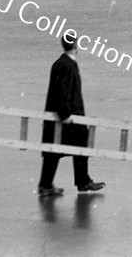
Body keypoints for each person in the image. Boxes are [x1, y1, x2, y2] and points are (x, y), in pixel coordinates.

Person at [38, 33, 106, 197]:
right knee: (79, 145)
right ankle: (82, 182)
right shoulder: (67, 65)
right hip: (68, 116)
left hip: (62, 115)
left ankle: (46, 185)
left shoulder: (62, 63)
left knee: (53, 150)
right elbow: (62, 91)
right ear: (76, 45)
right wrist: (66, 114)